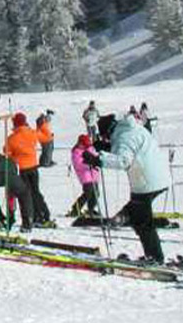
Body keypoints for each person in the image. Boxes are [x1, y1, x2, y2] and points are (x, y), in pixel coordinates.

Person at [85, 113, 171, 264]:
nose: (106, 138)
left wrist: (98, 159)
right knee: (139, 216)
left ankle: (155, 258)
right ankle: (126, 218)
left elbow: (124, 160)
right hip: (156, 177)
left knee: (142, 222)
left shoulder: (123, 137)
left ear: (109, 131)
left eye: (105, 136)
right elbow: (127, 150)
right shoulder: (131, 129)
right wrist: (107, 147)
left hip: (146, 182)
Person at [5, 112, 51, 227]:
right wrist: (43, 125)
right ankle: (43, 214)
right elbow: (47, 137)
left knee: (26, 194)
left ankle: (32, 217)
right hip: (34, 167)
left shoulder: (11, 138)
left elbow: (7, 154)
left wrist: (14, 155)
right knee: (36, 191)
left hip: (22, 169)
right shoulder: (32, 133)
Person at [0, 151, 34, 232]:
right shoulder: (10, 162)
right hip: (9, 175)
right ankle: (27, 223)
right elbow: (11, 193)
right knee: (24, 193)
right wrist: (11, 213)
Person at [68, 134, 100, 218]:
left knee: (96, 194)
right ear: (79, 143)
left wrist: (98, 161)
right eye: (83, 144)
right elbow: (78, 164)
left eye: (87, 144)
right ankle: (75, 209)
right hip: (85, 176)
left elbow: (95, 157)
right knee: (87, 193)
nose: (85, 146)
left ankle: (91, 209)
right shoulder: (76, 152)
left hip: (94, 175)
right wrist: (88, 163)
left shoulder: (90, 149)